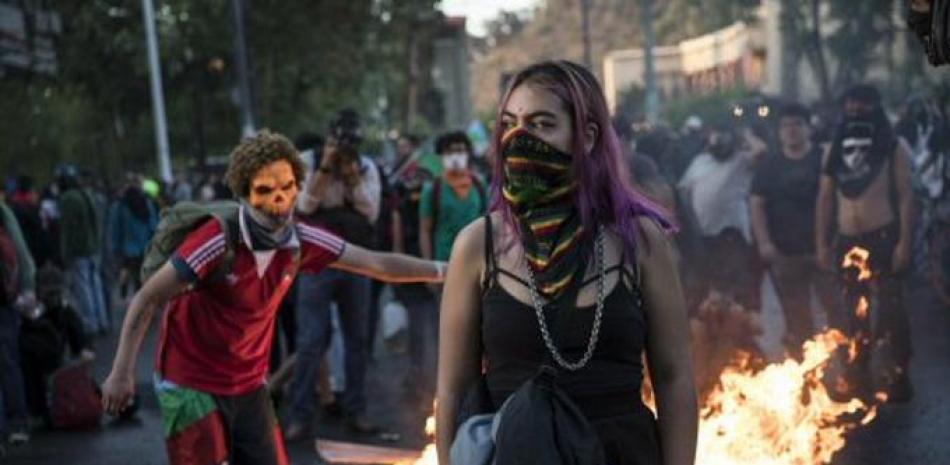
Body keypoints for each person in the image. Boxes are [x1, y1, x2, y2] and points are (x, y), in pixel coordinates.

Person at [100, 130, 445, 465]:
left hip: (249, 384)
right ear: (244, 193)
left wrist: (448, 269)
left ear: (298, 187)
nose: (279, 200)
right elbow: (146, 298)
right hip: (191, 383)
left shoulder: (301, 241)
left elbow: (376, 263)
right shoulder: (217, 242)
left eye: (287, 187)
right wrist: (121, 371)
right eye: (265, 190)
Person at [435, 60, 697, 465]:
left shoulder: (641, 241)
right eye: (509, 124)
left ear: (587, 136)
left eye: (541, 124)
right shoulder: (476, 245)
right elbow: (453, 390)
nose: (520, 139)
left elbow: (675, 377)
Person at [287, 110, 386, 438]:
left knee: (357, 340)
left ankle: (356, 411)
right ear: (328, 136)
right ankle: (300, 416)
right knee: (310, 340)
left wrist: (353, 177)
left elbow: (371, 211)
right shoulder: (308, 161)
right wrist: (327, 168)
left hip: (356, 262)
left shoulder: (367, 167)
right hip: (317, 263)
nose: (344, 147)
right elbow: (303, 206)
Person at [816, 84, 916, 402]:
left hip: (883, 237)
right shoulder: (835, 149)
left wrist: (904, 243)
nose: (856, 110)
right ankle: (859, 374)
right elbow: (825, 197)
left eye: (863, 104)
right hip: (847, 240)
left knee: (891, 309)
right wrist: (822, 242)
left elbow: (906, 197)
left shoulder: (892, 146)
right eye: (851, 103)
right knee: (853, 311)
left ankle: (897, 374)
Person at [750, 103, 839, 357]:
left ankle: (850, 370)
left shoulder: (822, 159)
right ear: (779, 132)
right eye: (786, 126)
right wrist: (764, 242)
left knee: (837, 310)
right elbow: (756, 204)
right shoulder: (770, 164)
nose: (791, 130)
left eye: (797, 124)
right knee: (797, 318)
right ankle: (805, 376)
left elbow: (837, 198)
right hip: (785, 254)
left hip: (823, 251)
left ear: (808, 128)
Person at [678, 121, 767, 312]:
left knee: (737, 290)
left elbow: (761, 150)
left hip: (731, 237)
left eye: (725, 138)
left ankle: (743, 333)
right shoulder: (699, 162)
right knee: (703, 290)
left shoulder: (740, 161)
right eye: (717, 137)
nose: (720, 142)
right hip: (701, 237)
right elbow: (683, 190)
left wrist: (746, 133)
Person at [0, 198, 36, 450]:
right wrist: (27, 287)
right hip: (4, 301)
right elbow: (21, 251)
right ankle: (17, 423)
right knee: (8, 363)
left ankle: (12, 425)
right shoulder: (2, 211)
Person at [57, 166, 108, 335]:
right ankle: (101, 320)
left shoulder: (68, 199)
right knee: (95, 285)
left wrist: (66, 253)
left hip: (80, 249)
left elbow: (67, 229)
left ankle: (90, 322)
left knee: (84, 287)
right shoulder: (87, 195)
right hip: (93, 247)